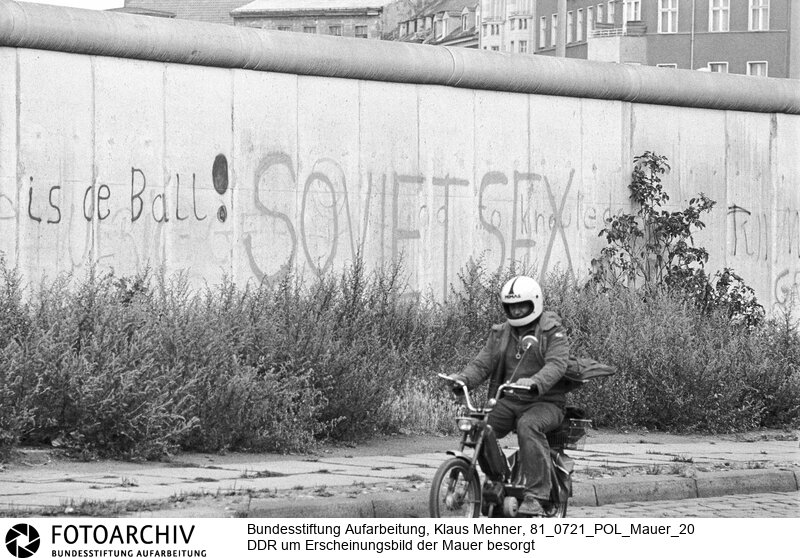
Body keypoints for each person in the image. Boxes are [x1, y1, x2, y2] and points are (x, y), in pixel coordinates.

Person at [447, 275, 569, 516]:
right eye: (511, 306)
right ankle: (497, 480)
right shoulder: (502, 332)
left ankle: (537, 494)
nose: (516, 311)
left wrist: (535, 382)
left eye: (521, 305)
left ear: (535, 303)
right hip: (510, 401)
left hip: (545, 403)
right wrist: (463, 379)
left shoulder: (552, 330)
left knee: (528, 426)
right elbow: (482, 363)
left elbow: (557, 364)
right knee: (478, 426)